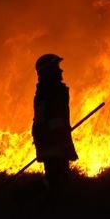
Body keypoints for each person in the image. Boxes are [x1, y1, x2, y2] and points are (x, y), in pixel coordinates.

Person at [31, 54, 78, 190]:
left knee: (57, 181)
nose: (60, 70)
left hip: (54, 140)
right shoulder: (48, 92)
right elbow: (48, 121)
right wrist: (64, 142)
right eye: (56, 67)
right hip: (52, 141)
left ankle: (42, 200)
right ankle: (30, 196)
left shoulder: (51, 91)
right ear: (47, 71)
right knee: (57, 182)